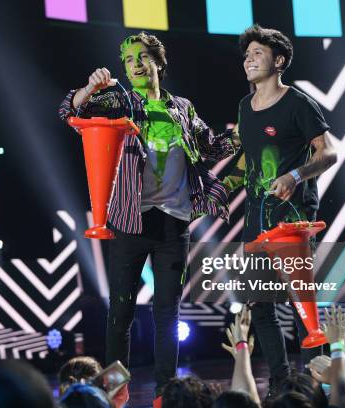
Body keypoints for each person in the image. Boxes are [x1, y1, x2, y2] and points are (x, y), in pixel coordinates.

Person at [59, 32, 239, 399]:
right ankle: (113, 394)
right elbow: (69, 112)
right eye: (128, 60)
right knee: (120, 313)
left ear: (159, 62)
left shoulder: (182, 107)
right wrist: (87, 90)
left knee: (167, 315)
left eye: (142, 57)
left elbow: (208, 149)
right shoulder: (119, 102)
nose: (136, 65)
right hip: (131, 218)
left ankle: (165, 393)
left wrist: (242, 133)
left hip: (174, 220)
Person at [229, 24, 337, 394]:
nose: (249, 59)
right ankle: (281, 384)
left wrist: (296, 174)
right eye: (247, 54)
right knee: (259, 303)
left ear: (279, 61)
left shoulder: (299, 103)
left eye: (257, 53)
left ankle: (319, 384)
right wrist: (220, 189)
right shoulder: (244, 106)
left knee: (302, 304)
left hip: (292, 218)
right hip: (255, 219)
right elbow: (249, 162)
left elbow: (329, 153)